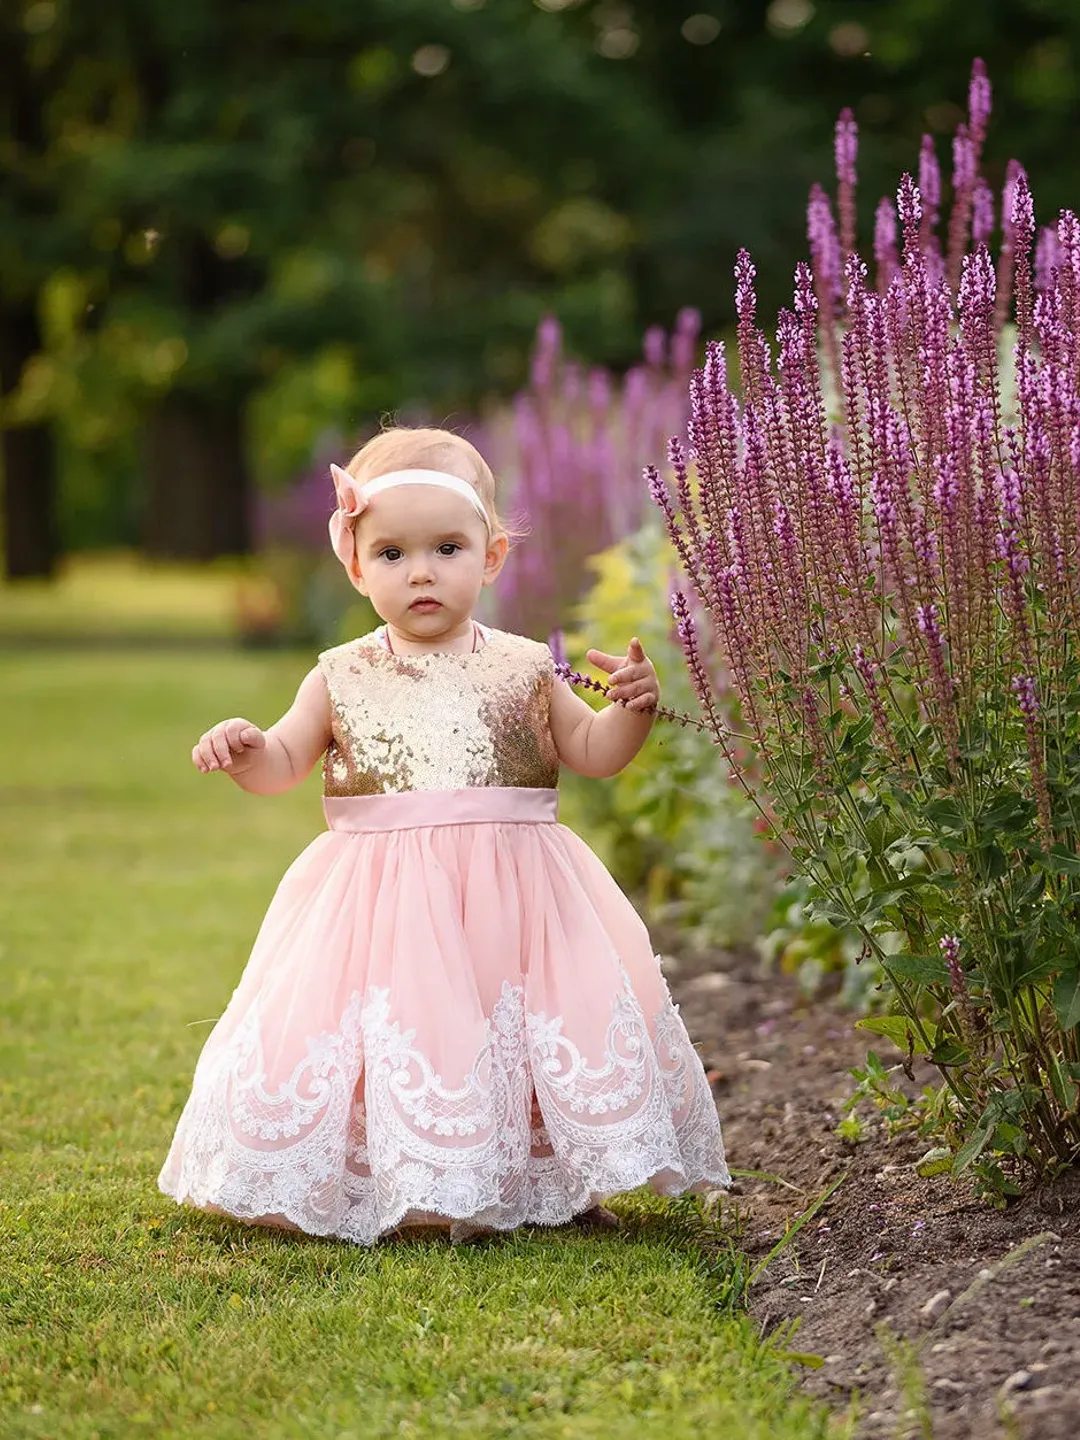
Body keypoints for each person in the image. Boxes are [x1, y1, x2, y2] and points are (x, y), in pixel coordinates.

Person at [158, 427, 729, 1245]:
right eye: (391, 553)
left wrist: (630, 710)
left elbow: (594, 754)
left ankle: (549, 1174)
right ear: (355, 566)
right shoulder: (340, 672)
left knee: (527, 1026)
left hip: (518, 896)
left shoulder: (528, 666)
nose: (420, 570)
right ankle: (412, 1173)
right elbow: (285, 759)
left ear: (492, 557)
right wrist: (250, 748)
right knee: (407, 1032)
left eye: (447, 547)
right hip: (387, 908)